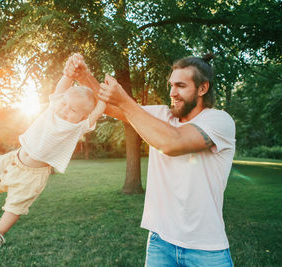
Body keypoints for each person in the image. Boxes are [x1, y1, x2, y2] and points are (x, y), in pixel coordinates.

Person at [75, 53, 235, 266]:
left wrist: (125, 101)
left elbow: (172, 143)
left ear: (202, 88)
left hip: (205, 249)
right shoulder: (160, 115)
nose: (172, 93)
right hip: (160, 242)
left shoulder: (219, 120)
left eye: (180, 86)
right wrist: (85, 76)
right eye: (171, 85)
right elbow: (113, 107)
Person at [0, 55, 106, 252]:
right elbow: (62, 88)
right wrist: (69, 74)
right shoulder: (54, 107)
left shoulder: (78, 127)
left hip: (33, 175)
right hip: (12, 158)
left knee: (16, 204)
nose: (65, 110)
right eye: (65, 104)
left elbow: (100, 109)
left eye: (73, 110)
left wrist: (104, 96)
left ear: (83, 117)